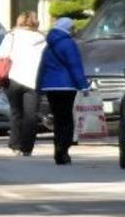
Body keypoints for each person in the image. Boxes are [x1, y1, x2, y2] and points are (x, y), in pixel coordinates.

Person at [38, 17, 90, 165]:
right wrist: (83, 86)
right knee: (67, 118)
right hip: (67, 86)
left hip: (50, 86)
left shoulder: (49, 45)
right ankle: (63, 149)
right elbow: (75, 65)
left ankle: (58, 147)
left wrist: (39, 86)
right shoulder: (68, 44)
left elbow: (42, 67)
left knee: (58, 118)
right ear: (68, 28)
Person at [0, 11, 45, 156]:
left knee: (16, 112)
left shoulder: (11, 36)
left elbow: (1, 54)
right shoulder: (42, 39)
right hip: (33, 79)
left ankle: (15, 144)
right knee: (30, 115)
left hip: (13, 77)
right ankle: (27, 147)